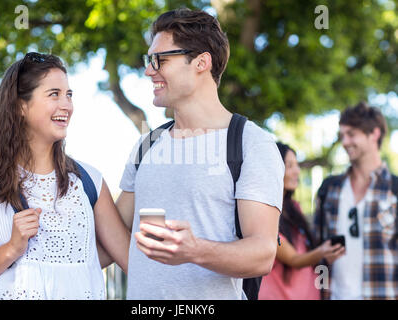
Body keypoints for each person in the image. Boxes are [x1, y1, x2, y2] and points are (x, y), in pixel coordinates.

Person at [116, 8, 285, 300]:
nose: (148, 70)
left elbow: (263, 254)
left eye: (159, 59)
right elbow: (112, 239)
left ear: (201, 62)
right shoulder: (146, 146)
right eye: (148, 60)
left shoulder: (251, 144)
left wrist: (194, 250)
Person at [0, 52, 130, 300]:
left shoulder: (89, 181)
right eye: (54, 94)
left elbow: (129, 258)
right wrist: (11, 250)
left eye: (69, 95)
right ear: (20, 105)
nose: (66, 105)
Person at [314, 101, 398, 300]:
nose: (345, 142)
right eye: (342, 135)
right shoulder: (329, 189)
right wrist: (320, 292)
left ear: (374, 134)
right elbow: (319, 256)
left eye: (351, 134)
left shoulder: (394, 190)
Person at [258, 142, 345, 300]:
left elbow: (305, 254)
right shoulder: (263, 212)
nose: (297, 171)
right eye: (289, 165)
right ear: (272, 167)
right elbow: (293, 259)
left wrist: (323, 255)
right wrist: (322, 251)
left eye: (297, 165)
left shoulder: (294, 208)